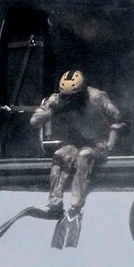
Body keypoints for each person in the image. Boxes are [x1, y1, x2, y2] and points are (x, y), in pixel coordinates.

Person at [30, 69, 124, 221]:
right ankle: (55, 204)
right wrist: (55, 109)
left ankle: (76, 205)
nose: (70, 100)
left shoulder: (96, 97)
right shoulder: (59, 100)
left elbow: (117, 120)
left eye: (74, 97)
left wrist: (110, 145)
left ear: (82, 92)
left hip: (98, 143)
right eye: (67, 97)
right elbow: (34, 122)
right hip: (78, 142)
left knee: (83, 156)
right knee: (59, 155)